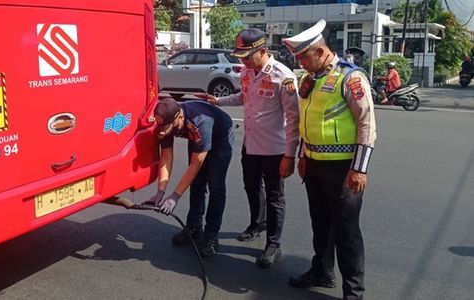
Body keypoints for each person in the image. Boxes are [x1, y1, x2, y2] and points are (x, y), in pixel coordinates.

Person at [283, 19, 376, 300]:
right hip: (313, 164)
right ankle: (322, 271)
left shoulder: (351, 77)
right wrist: (302, 155)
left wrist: (359, 169)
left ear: (321, 52)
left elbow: (367, 124)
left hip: (344, 168)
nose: (301, 63)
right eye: (297, 58)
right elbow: (305, 120)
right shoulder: (308, 79)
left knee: (347, 232)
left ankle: (354, 293)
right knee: (320, 223)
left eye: (304, 57)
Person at [199, 28, 300, 268]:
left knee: (275, 196)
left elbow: (293, 118)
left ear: (263, 51)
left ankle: (273, 244)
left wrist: (290, 154)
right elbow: (243, 97)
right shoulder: (247, 72)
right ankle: (258, 223)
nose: (243, 61)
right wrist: (219, 101)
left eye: (247, 56)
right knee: (252, 187)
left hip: (275, 149)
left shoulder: (282, 76)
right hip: (250, 145)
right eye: (241, 57)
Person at [142, 98, 235, 257]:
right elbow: (166, 157)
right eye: (161, 127)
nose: (163, 131)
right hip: (196, 139)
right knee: (197, 183)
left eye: (167, 128)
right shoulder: (165, 122)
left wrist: (175, 197)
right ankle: (194, 227)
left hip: (221, 137)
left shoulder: (200, 123)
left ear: (179, 117)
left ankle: (211, 235)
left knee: (216, 186)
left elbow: (195, 164)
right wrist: (161, 192)